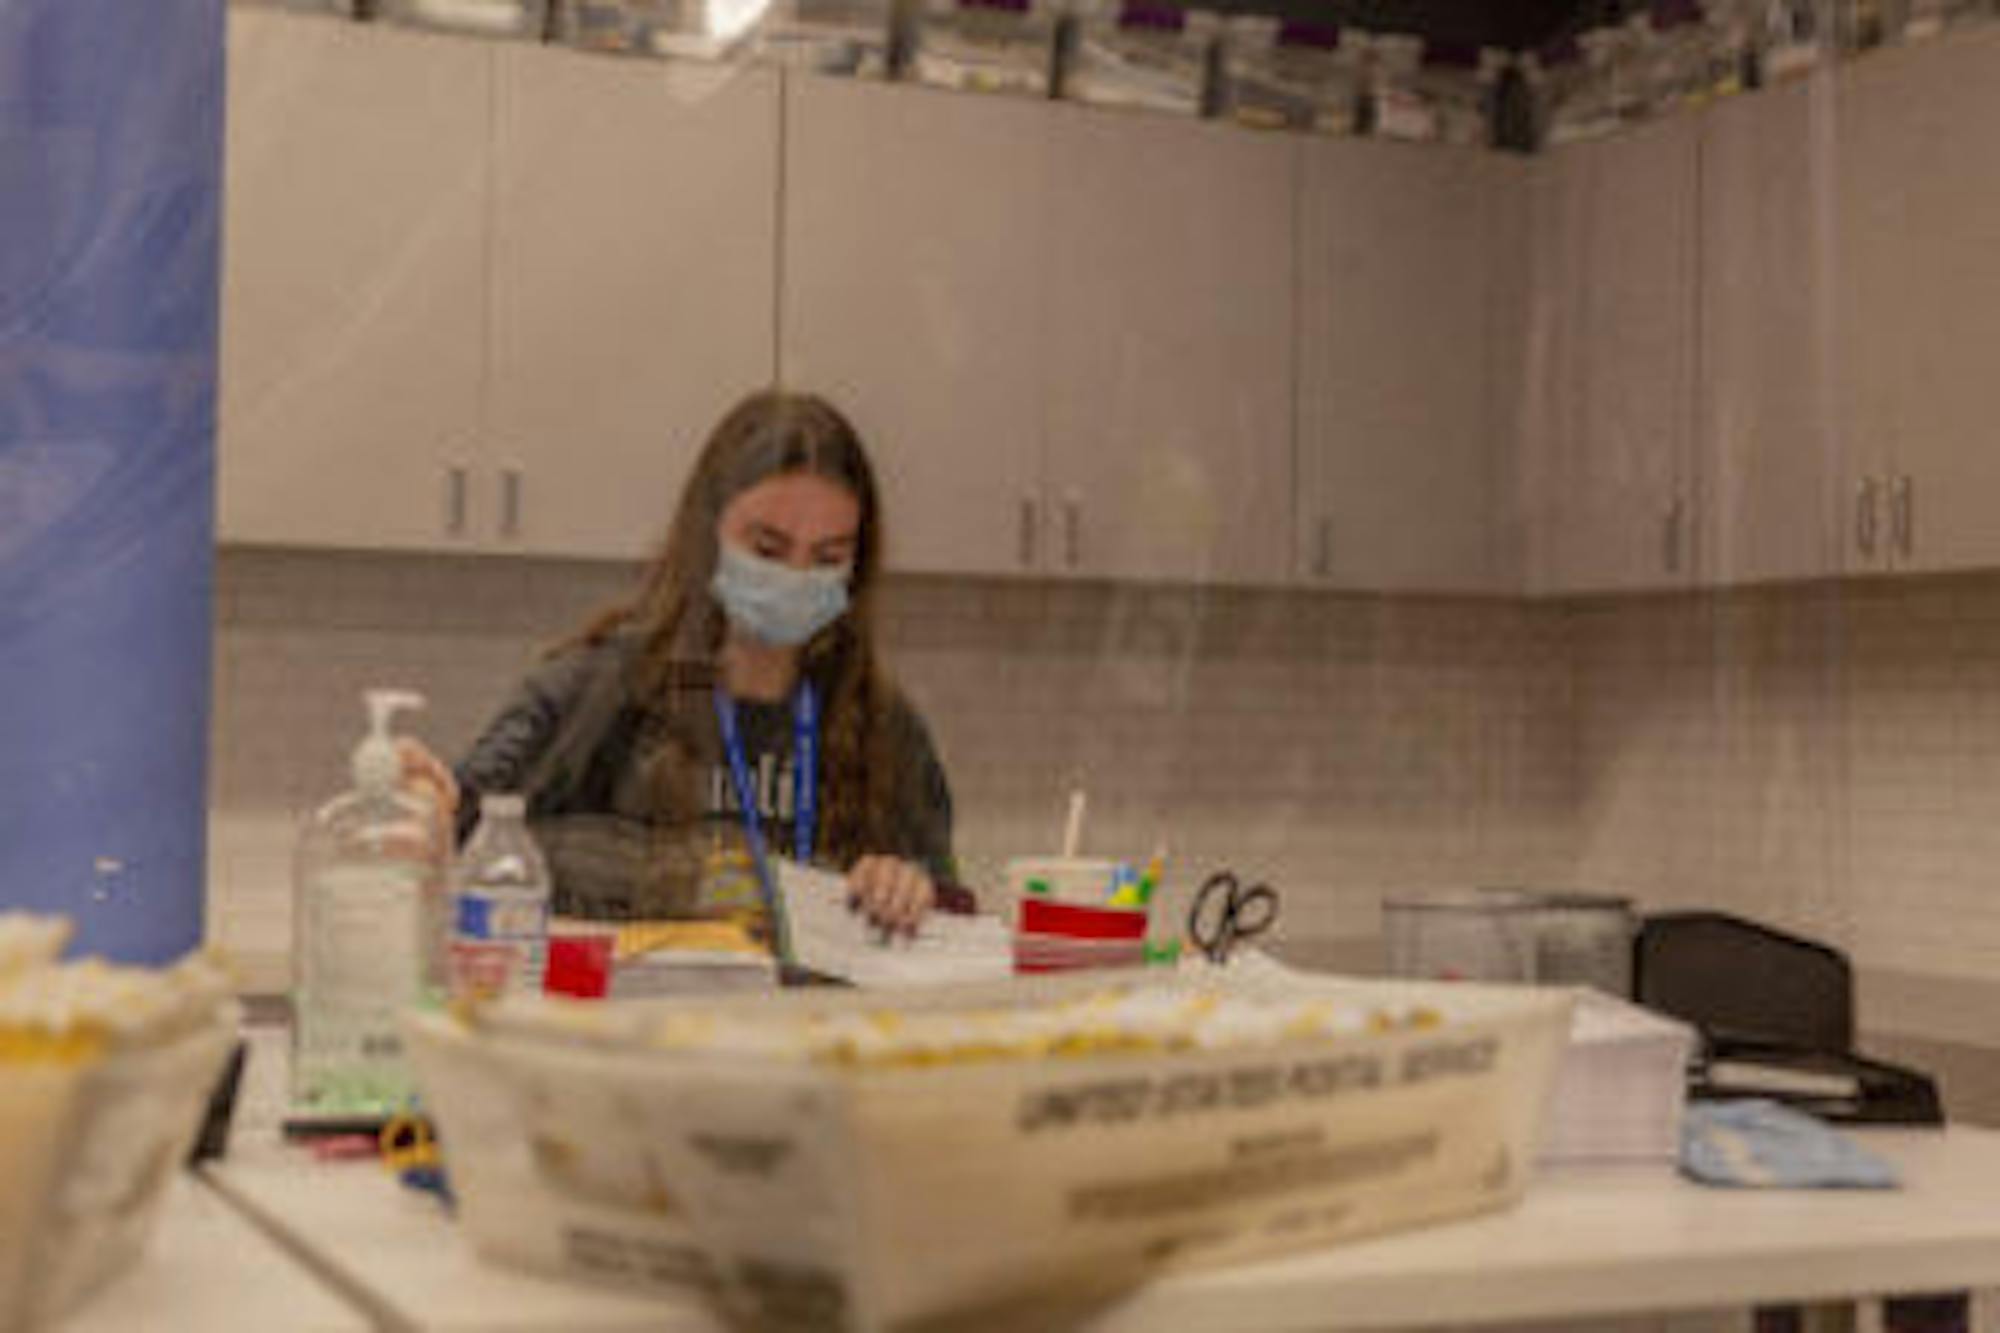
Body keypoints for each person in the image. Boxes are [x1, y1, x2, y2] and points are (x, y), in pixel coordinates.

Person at [402, 389, 960, 938]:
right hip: (633, 1024)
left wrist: (910, 892)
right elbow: (462, 817)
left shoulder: (885, 726)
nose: (795, 574)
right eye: (767, 549)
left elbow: (953, 920)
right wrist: (428, 807)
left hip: (812, 1025)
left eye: (828, 557)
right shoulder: (598, 688)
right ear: (707, 530)